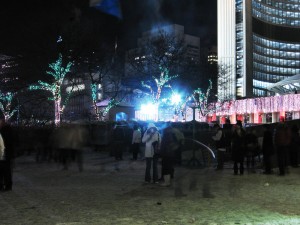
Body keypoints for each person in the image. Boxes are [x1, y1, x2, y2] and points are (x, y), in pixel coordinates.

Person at [0, 119, 15, 191]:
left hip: (5, 153)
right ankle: (3, 185)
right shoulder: (6, 130)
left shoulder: (7, 131)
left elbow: (10, 143)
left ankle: (7, 185)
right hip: (4, 153)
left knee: (6, 170)